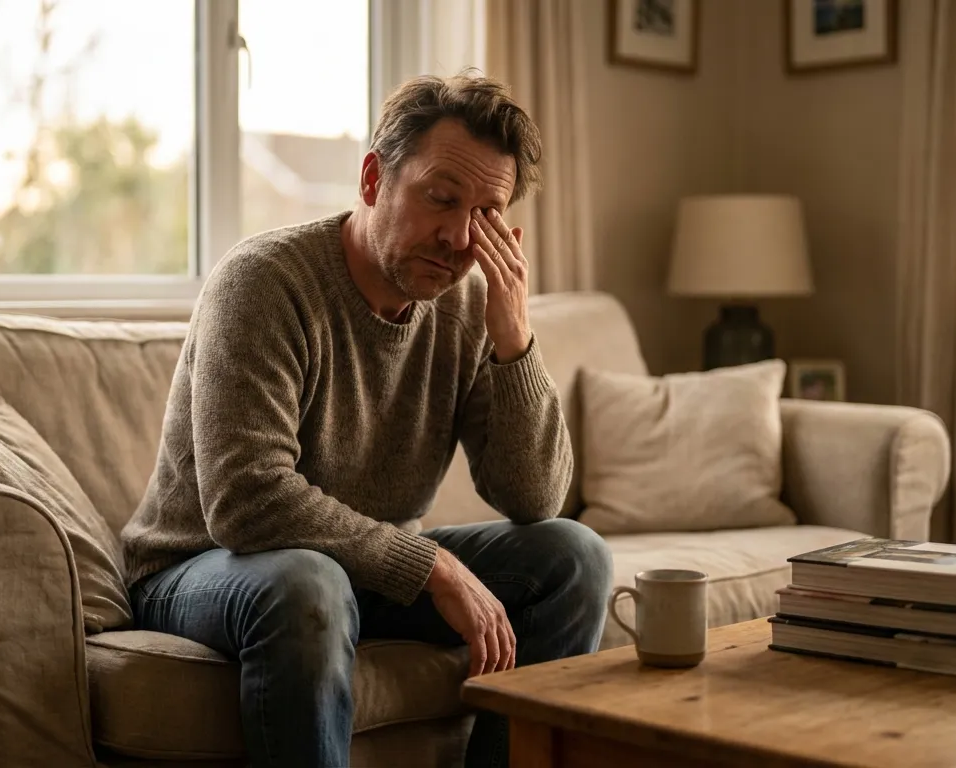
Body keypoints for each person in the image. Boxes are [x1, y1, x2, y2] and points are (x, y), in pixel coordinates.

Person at [120, 72, 613, 768]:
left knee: (575, 557)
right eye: (441, 198)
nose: (458, 237)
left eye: (485, 214)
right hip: (201, 567)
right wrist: (432, 565)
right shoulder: (263, 281)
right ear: (374, 179)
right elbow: (245, 500)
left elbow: (534, 499)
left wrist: (514, 342)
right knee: (307, 582)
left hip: (357, 570)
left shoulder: (469, 307)